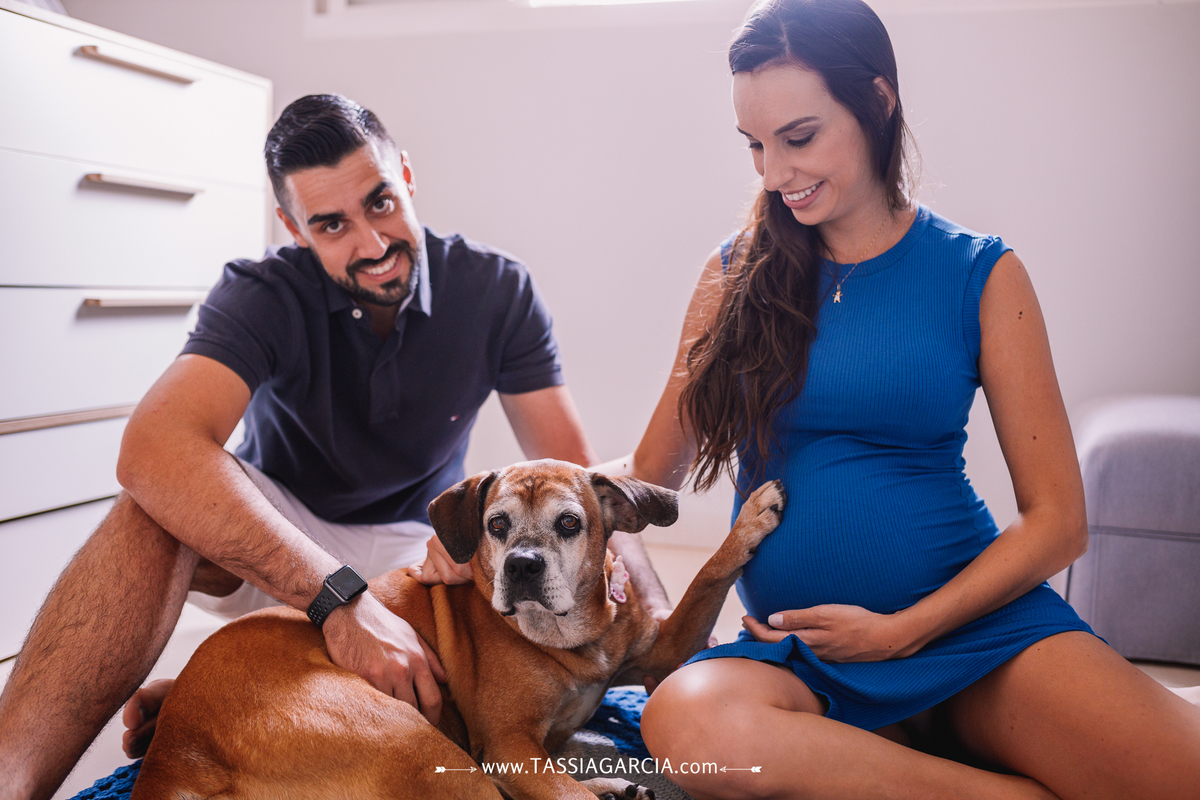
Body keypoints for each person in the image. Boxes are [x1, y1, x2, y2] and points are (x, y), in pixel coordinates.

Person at [599, 2, 1200, 798]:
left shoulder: (981, 274)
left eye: (799, 137)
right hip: (804, 661)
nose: (774, 174)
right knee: (688, 723)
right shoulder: (734, 276)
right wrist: (507, 504)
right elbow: (651, 474)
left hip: (977, 639)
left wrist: (903, 632)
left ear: (878, 100)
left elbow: (1058, 521)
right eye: (755, 145)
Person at [0, 94, 669, 800]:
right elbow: (150, 450)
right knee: (149, 508)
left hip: (421, 556)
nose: (373, 244)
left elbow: (578, 478)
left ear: (405, 175)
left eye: (380, 202)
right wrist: (338, 601)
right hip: (285, 546)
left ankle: (273, 689)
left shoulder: (497, 288)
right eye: (331, 224)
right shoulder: (259, 293)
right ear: (293, 228)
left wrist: (655, 623)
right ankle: (11, 779)